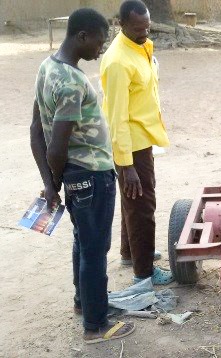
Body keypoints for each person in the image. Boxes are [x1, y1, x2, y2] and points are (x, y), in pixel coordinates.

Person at [30, 8, 135, 343]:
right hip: (90, 174)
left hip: (79, 175)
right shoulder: (72, 82)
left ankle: (87, 303)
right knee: (94, 249)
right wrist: (55, 182)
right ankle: (96, 325)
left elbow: (36, 129)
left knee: (83, 242)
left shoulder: (48, 68)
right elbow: (56, 145)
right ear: (82, 36)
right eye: (99, 42)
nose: (101, 49)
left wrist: (51, 182)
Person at [100, 0, 173, 285]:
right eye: (138, 29)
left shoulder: (141, 46)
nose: (145, 33)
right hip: (131, 144)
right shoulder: (118, 61)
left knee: (133, 200)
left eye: (147, 27)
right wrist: (126, 163)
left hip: (143, 138)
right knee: (143, 206)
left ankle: (130, 253)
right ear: (121, 25)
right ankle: (144, 272)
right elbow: (116, 117)